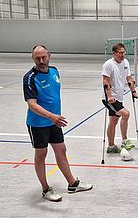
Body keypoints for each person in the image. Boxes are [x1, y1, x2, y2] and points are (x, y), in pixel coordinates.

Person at [23, 45, 93, 202]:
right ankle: (45, 189)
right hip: (38, 123)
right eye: (37, 58)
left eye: (43, 57)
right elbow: (32, 104)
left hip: (54, 121)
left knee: (61, 150)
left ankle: (72, 183)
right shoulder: (29, 78)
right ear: (33, 59)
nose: (41, 61)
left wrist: (54, 118)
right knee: (41, 154)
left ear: (49, 56)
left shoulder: (54, 71)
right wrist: (51, 116)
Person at [102, 43, 138, 154]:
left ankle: (111, 146)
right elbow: (105, 81)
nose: (122, 55)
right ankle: (124, 140)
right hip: (110, 98)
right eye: (120, 52)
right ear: (114, 53)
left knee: (113, 121)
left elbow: (129, 78)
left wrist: (133, 92)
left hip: (119, 96)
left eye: (124, 52)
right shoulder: (108, 64)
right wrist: (109, 96)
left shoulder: (125, 62)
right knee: (126, 114)